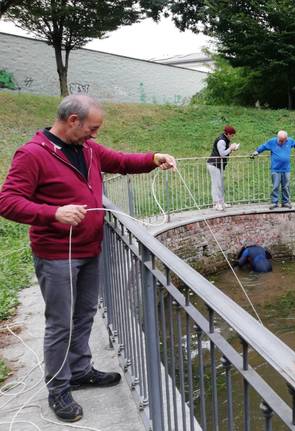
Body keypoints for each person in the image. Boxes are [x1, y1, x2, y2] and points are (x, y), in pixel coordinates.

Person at [0, 95, 176, 423]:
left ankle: (80, 371)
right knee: (59, 324)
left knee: (83, 315)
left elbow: (122, 161)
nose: (95, 135)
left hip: (89, 250)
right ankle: (58, 387)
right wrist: (52, 212)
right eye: (91, 128)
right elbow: (7, 201)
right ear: (72, 121)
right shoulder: (33, 154)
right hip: (56, 256)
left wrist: (155, 158)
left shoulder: (89, 149)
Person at [251, 130, 295, 209]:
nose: (281, 142)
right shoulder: (272, 142)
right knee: (275, 186)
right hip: (275, 169)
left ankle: (285, 202)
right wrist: (256, 152)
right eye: (280, 140)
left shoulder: (290, 141)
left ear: (286, 139)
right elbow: (263, 146)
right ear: (277, 137)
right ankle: (274, 202)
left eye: (283, 141)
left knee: (286, 186)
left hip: (286, 169)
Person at [207, 125, 239, 211]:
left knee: (220, 184)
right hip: (214, 164)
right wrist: (231, 148)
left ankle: (221, 202)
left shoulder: (225, 139)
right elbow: (222, 154)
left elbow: (225, 153)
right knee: (216, 185)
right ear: (228, 134)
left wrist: (232, 149)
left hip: (218, 165)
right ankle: (216, 204)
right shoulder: (221, 141)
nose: (232, 137)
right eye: (232, 135)